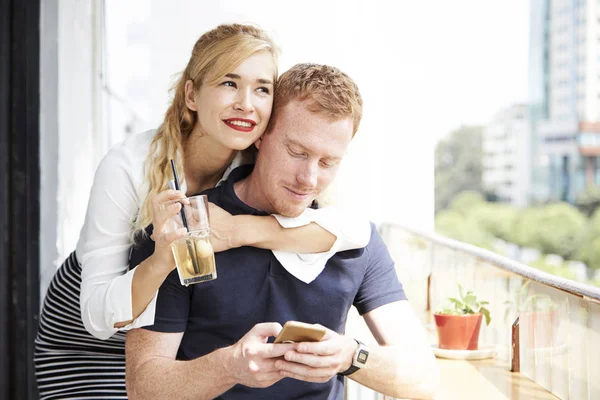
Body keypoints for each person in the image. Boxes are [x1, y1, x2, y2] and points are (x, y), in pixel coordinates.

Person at [34, 24, 369, 400]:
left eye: (262, 88)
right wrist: (162, 259)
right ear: (191, 94)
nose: (246, 103)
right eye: (229, 83)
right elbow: (96, 318)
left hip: (168, 340)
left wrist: (240, 230)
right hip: (94, 338)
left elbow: (357, 231)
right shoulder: (128, 166)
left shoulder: (261, 153)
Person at [126, 63, 439, 400]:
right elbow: (144, 388)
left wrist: (350, 356)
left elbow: (423, 378)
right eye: (297, 152)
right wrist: (229, 366)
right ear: (261, 134)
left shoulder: (355, 243)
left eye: (328, 162)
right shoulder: (184, 229)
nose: (309, 178)